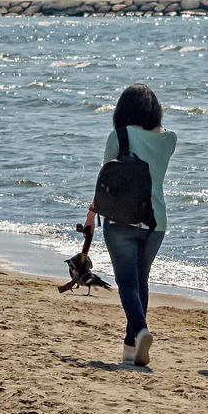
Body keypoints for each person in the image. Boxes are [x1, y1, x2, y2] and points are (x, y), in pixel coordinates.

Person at [86, 83, 177, 367]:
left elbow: (107, 182)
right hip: (155, 221)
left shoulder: (119, 135)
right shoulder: (169, 139)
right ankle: (131, 347)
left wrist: (91, 214)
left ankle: (140, 330)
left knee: (126, 281)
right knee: (140, 280)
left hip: (120, 218)